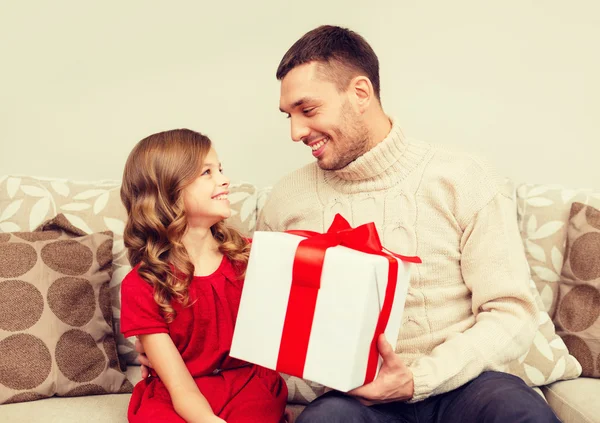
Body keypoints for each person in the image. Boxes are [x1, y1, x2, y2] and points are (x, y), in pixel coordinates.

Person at [255, 25, 561, 422]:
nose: (296, 132)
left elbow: (512, 313)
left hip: (464, 386)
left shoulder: (463, 177)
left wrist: (419, 378)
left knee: (519, 413)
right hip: (353, 398)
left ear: (361, 93)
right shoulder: (286, 199)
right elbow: (270, 327)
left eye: (307, 110)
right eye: (289, 116)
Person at [119, 129, 287, 423]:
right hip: (178, 392)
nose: (224, 179)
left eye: (220, 169)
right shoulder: (141, 284)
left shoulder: (252, 257)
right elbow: (180, 387)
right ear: (167, 190)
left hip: (247, 385)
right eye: (206, 172)